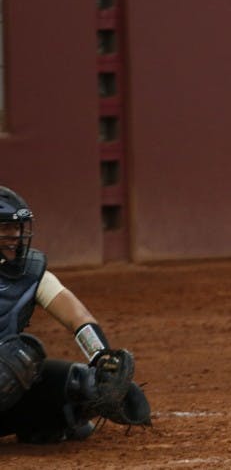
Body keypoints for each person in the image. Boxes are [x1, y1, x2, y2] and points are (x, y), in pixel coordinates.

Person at [0, 186, 151, 444]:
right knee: (16, 359)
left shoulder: (29, 274)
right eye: (5, 228)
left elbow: (77, 318)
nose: (15, 236)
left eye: (17, 228)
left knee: (84, 385)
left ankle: (49, 422)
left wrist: (102, 359)